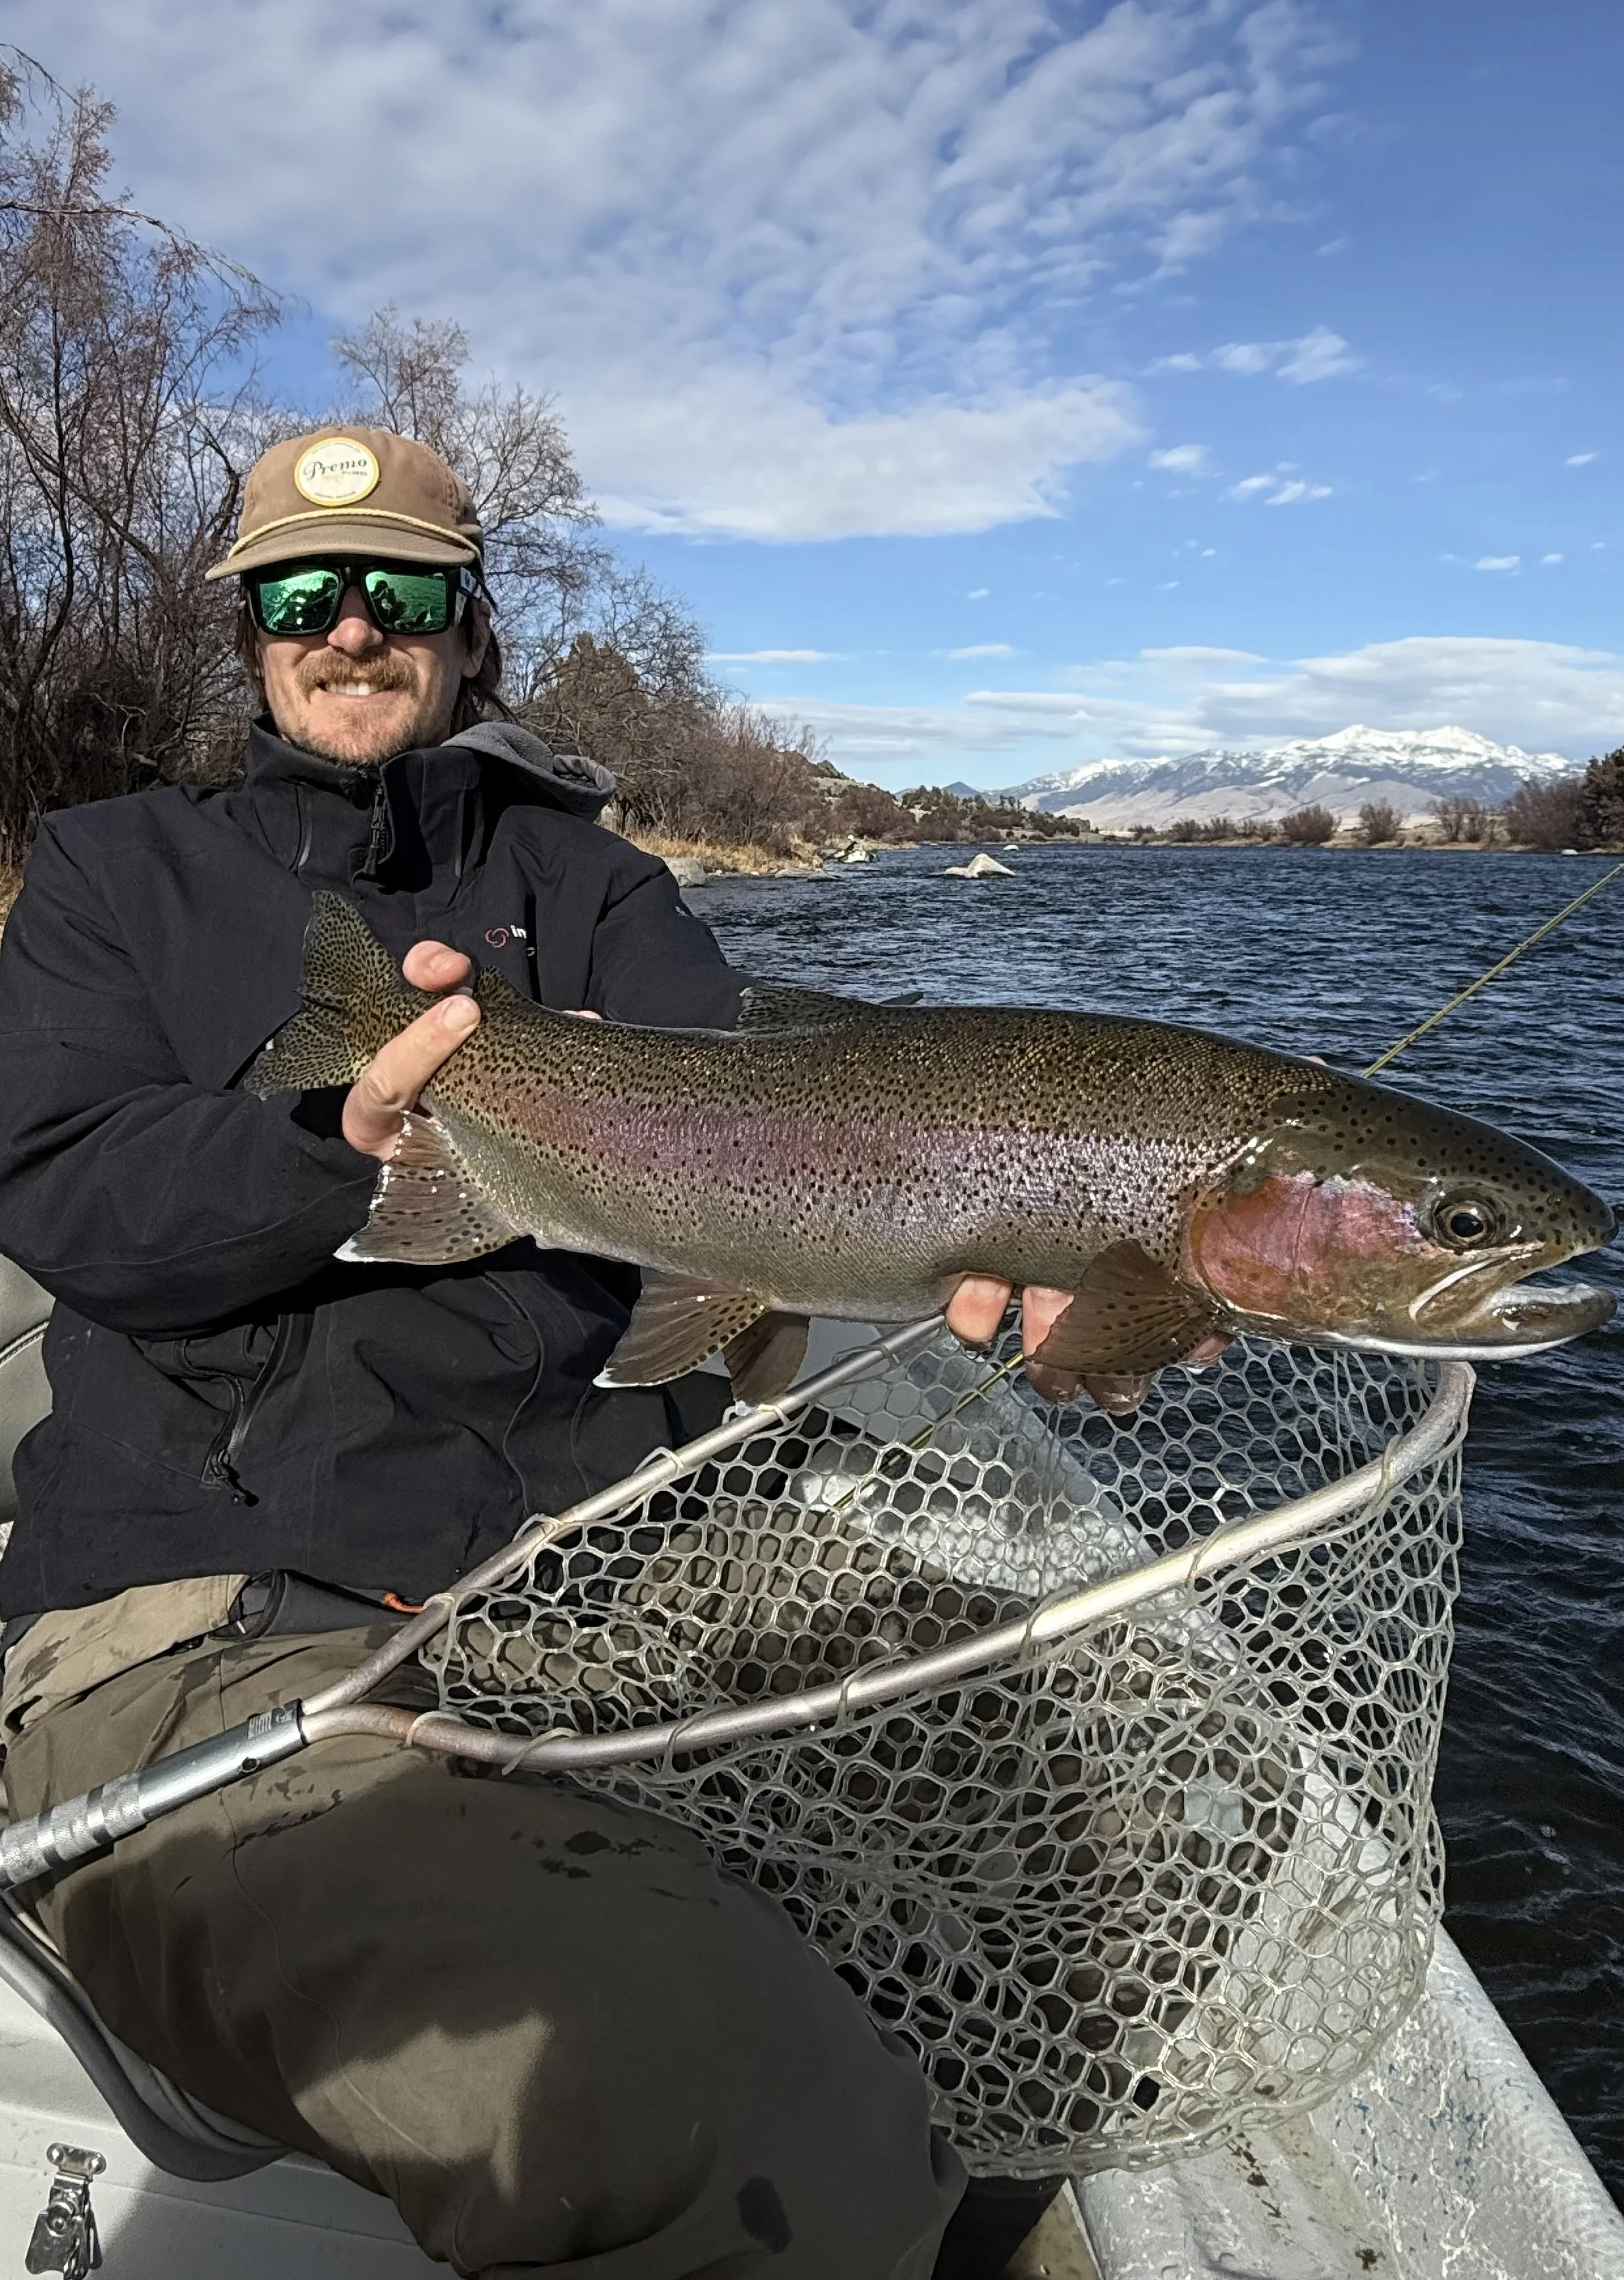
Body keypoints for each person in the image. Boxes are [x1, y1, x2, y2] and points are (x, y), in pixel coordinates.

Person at [0, 425, 1078, 2279]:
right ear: (247, 628)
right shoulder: (113, 875)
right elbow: (68, 1195)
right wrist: (332, 1138)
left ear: (467, 622)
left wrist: (1004, 1231)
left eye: (399, 588)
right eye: (301, 592)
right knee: (735, 2127)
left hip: (605, 1555)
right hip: (219, 1594)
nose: (351, 627)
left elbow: (775, 1145)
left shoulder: (596, 886)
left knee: (1055, 1804)